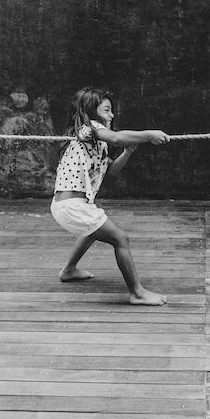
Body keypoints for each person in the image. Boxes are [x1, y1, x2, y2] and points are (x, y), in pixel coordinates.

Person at [51, 87, 170, 306]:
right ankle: (137, 293)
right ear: (91, 111)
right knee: (120, 238)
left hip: (69, 205)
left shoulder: (98, 142)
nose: (112, 115)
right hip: (71, 205)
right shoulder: (88, 128)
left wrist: (127, 153)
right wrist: (149, 134)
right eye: (107, 110)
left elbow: (111, 170)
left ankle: (68, 270)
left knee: (93, 230)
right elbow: (116, 137)